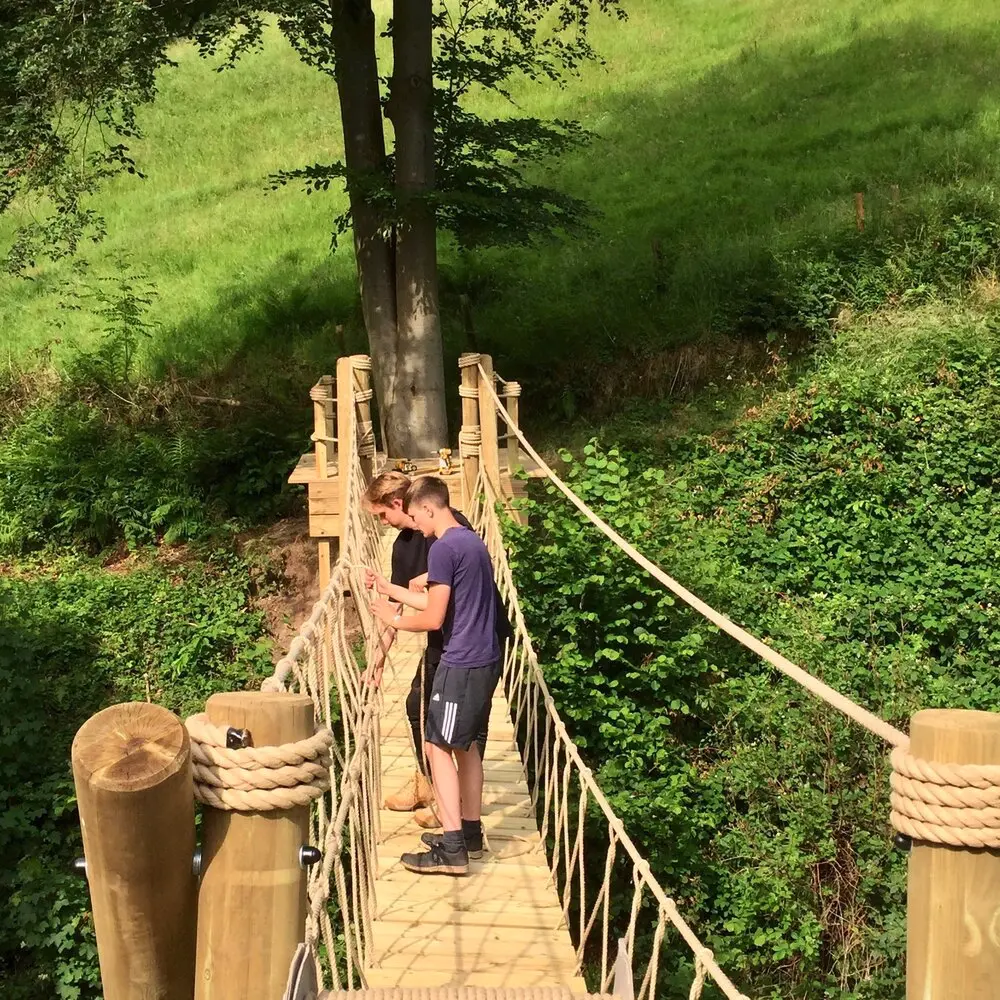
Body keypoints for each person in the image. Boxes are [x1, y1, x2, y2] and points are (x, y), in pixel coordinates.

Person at [363, 471, 509, 829]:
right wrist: (377, 661)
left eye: (383, 515)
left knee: (465, 731)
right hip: (447, 640)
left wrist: (417, 592)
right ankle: (434, 785)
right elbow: (396, 604)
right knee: (421, 709)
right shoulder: (403, 545)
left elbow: (434, 608)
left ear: (403, 505)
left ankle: (453, 808)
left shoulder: (447, 532)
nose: (385, 524)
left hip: (472, 640)